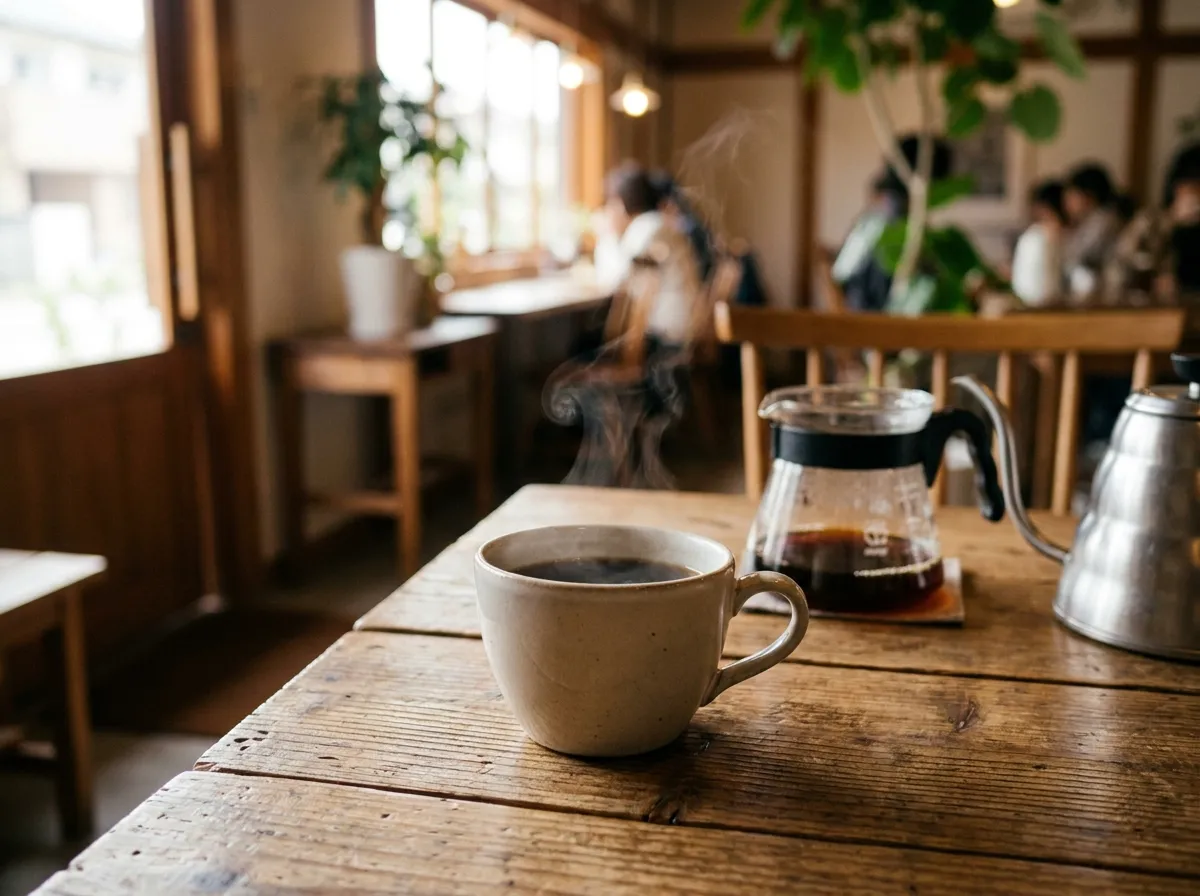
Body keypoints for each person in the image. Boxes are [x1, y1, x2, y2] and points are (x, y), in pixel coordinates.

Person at [832, 135, 953, 312]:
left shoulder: (872, 220)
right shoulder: (896, 224)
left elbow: (839, 274)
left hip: (863, 322)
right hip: (883, 325)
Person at [594, 163, 705, 351]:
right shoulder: (659, 224)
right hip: (683, 327)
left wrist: (606, 235)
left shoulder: (646, 227)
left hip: (670, 335)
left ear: (620, 205)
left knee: (584, 346)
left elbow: (615, 279)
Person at [1106, 141, 1200, 304]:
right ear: (1176, 187)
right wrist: (1172, 223)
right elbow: (1116, 268)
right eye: (1193, 187)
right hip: (1154, 311)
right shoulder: (1151, 221)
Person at [1061, 162, 1121, 302]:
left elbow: (1078, 255)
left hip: (1103, 294)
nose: (1066, 201)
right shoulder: (1093, 221)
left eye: (1071, 194)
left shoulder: (1103, 221)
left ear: (1088, 195)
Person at [1011, 180, 1067, 307]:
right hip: (1044, 309)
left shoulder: (1032, 236)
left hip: (1030, 307)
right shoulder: (1041, 239)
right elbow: (1045, 291)